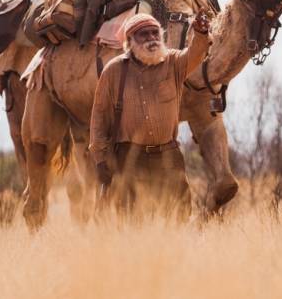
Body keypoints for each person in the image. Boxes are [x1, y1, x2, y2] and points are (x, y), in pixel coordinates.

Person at [89, 12, 210, 222]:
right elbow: (99, 119)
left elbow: (196, 54)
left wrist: (200, 32)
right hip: (129, 159)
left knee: (177, 218)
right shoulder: (114, 71)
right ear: (130, 41)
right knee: (132, 221)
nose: (152, 38)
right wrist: (101, 161)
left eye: (155, 33)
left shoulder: (174, 62)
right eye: (144, 34)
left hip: (169, 156)